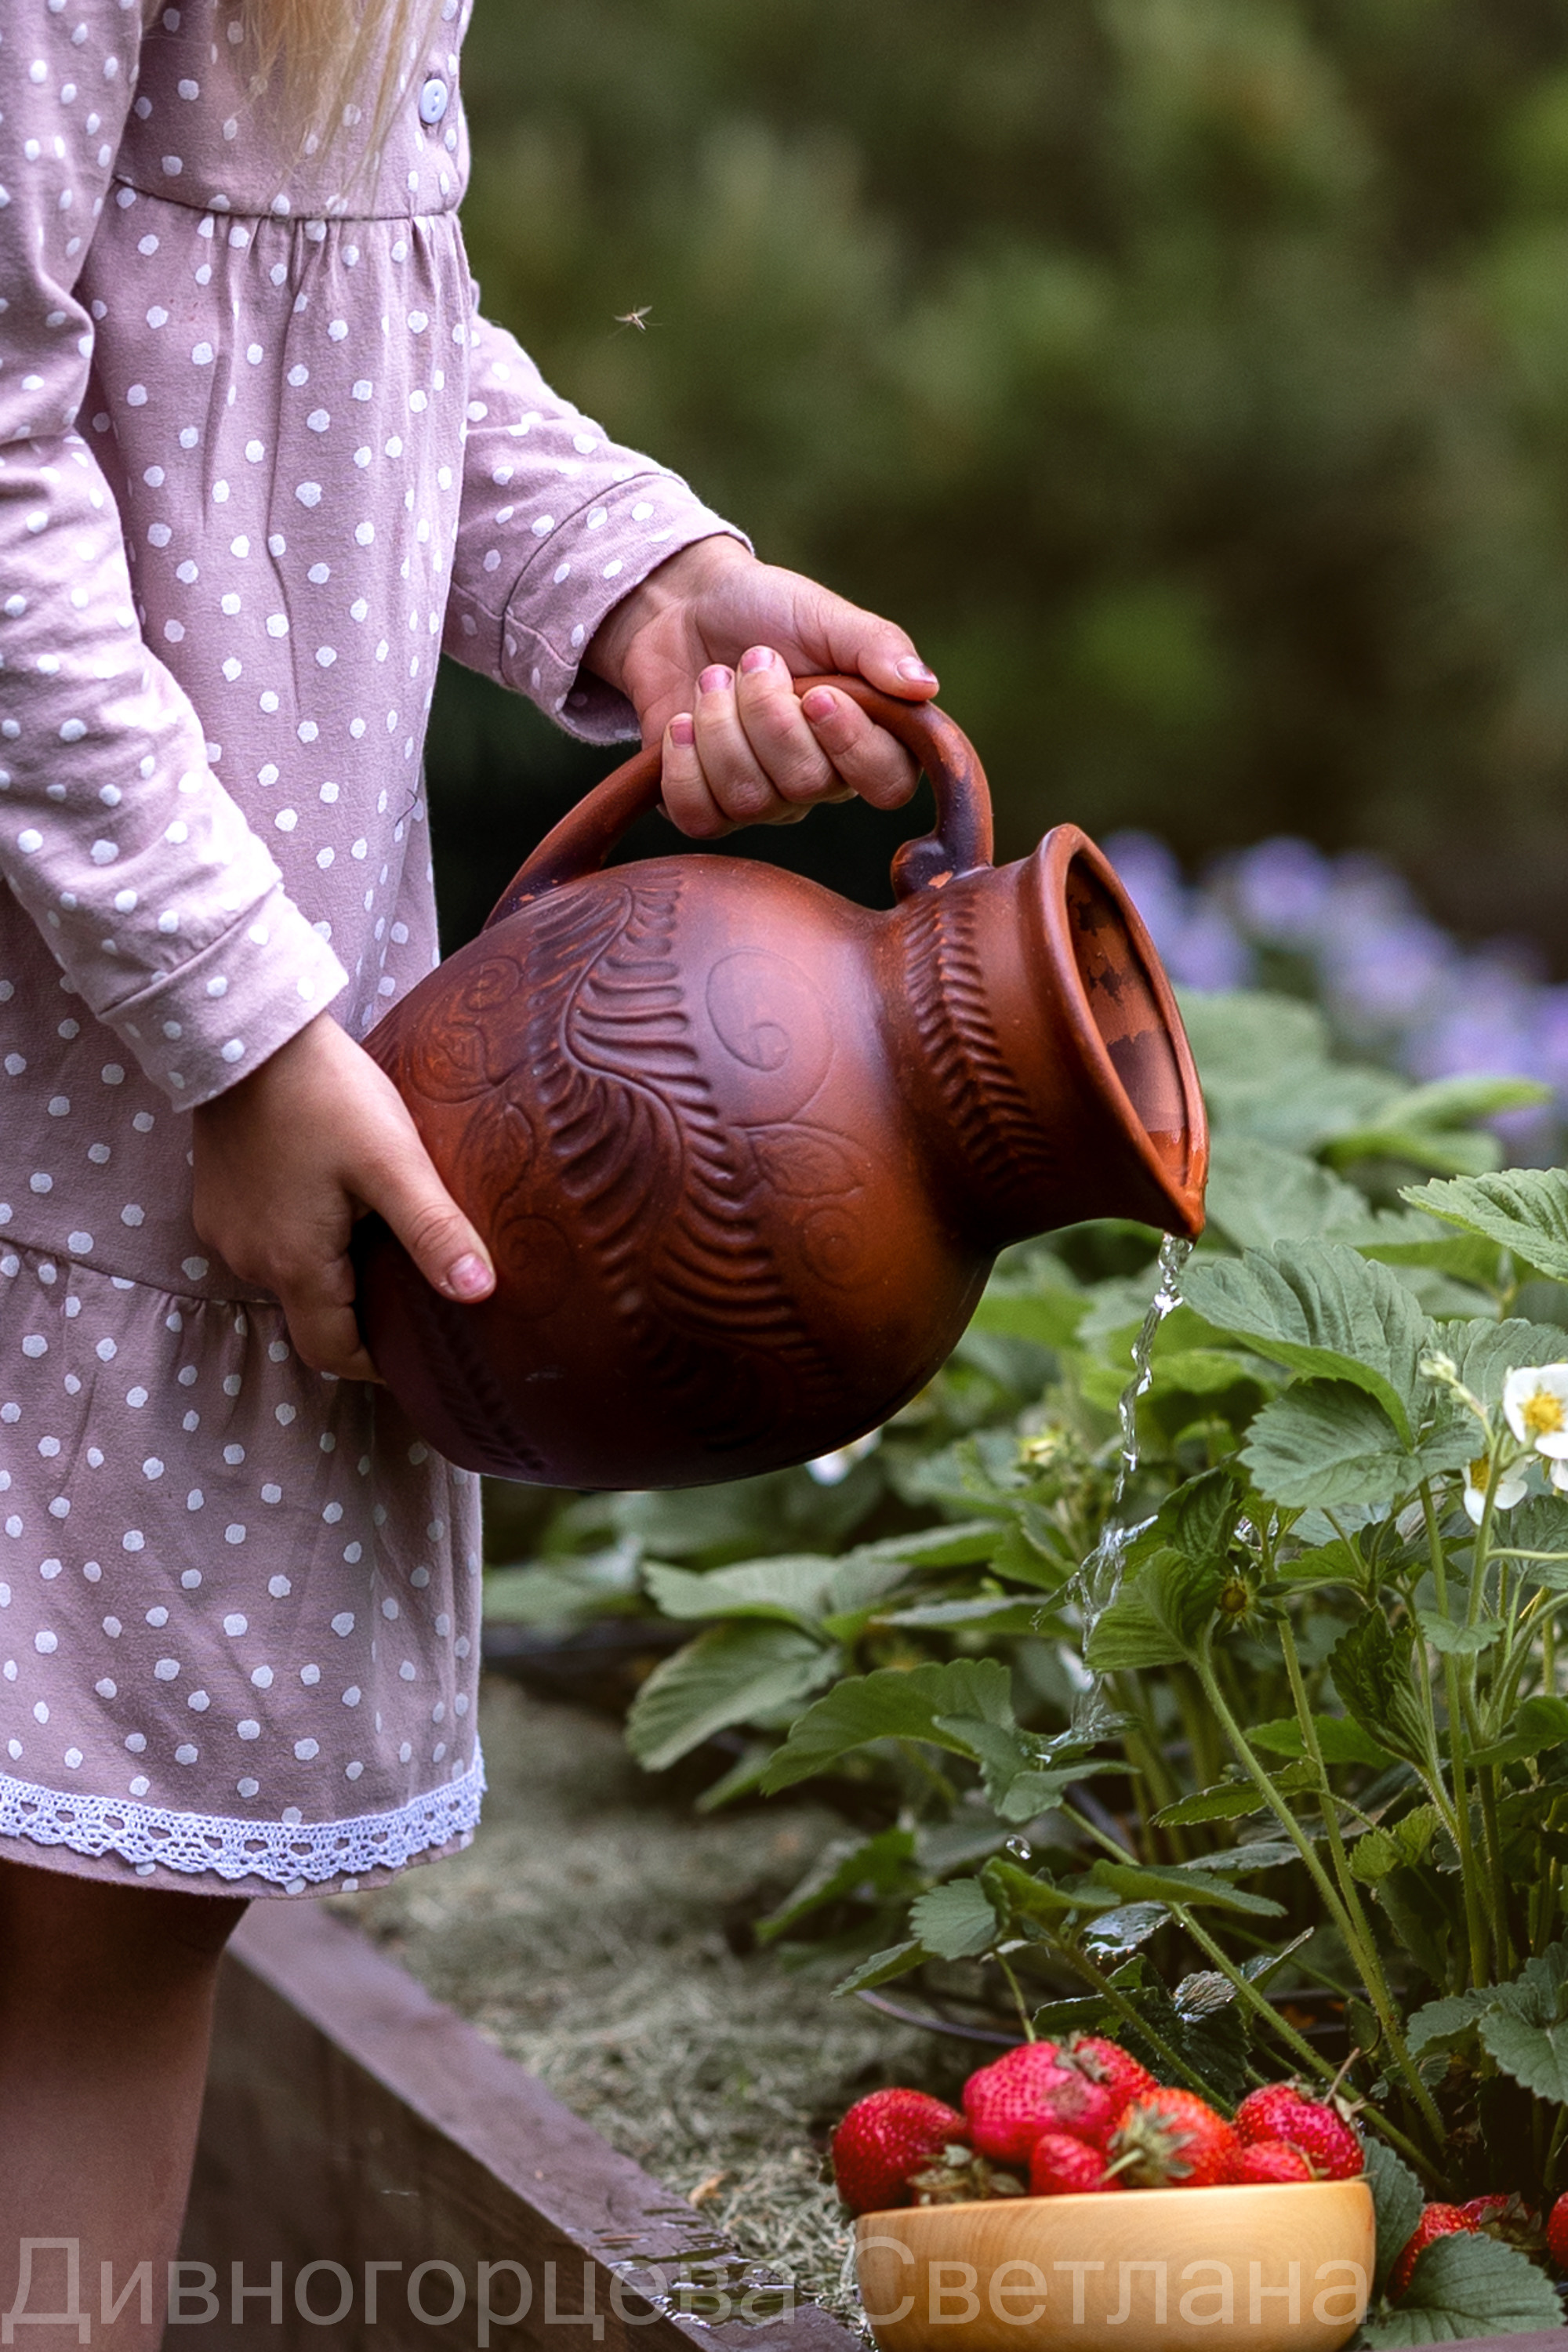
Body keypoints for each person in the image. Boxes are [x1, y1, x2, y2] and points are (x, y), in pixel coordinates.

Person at [0, 0, 938, 2336]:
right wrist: (234, 1026)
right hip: (99, 1028)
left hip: (160, 1033)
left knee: (97, 1916)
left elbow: (318, 303)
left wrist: (639, 580)